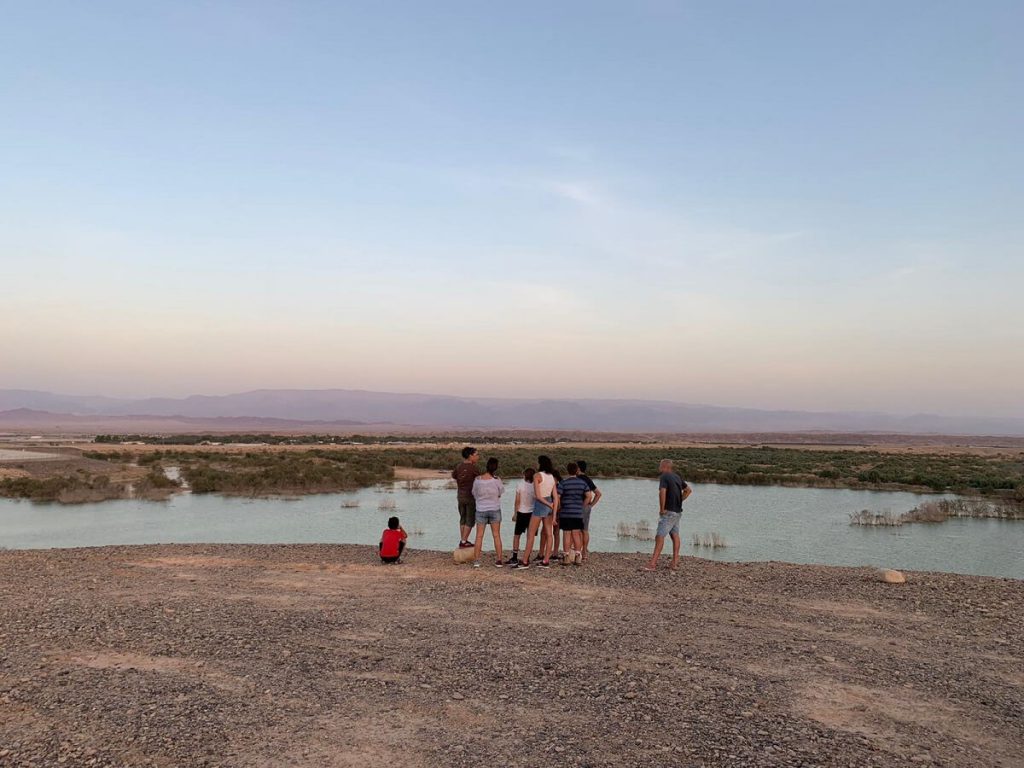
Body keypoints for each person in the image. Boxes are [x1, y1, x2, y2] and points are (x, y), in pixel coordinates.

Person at [645, 459, 692, 571]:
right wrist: (679, 502)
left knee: (659, 536)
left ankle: (652, 564)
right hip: (677, 512)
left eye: (660, 465)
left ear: (665, 466)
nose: (659, 468)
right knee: (674, 535)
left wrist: (662, 509)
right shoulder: (677, 477)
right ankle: (674, 563)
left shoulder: (664, 476)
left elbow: (662, 492)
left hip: (669, 512)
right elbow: (688, 490)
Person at [515, 455, 559, 570]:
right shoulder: (552, 477)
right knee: (549, 534)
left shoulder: (537, 476)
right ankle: (546, 560)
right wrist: (553, 512)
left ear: (540, 463)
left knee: (531, 534)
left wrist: (548, 504)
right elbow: (555, 497)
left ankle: (525, 561)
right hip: (549, 505)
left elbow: (538, 496)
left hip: (541, 505)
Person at [556, 462, 594, 565]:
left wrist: (559, 507)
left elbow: (558, 497)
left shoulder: (563, 483)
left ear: (567, 471)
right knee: (576, 534)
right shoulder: (582, 483)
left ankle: (566, 556)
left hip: (566, 512)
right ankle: (578, 556)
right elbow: (589, 496)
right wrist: (582, 506)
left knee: (566, 534)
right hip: (577, 512)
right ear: (576, 470)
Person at [471, 457, 505, 568]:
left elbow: (474, 493)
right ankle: (499, 560)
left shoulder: (477, 480)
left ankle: (476, 560)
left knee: (479, 536)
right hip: (495, 509)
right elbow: (500, 493)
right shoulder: (497, 480)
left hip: (481, 510)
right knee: (496, 535)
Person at [506, 467, 535, 566]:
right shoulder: (535, 486)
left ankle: (514, 556)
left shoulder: (520, 485)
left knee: (517, 535)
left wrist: (515, 513)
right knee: (530, 536)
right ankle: (527, 555)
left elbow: (517, 501)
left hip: (522, 512)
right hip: (532, 513)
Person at [452, 446, 479, 548]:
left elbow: (454, 476)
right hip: (470, 497)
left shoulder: (459, 466)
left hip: (460, 496)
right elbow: (479, 479)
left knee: (462, 518)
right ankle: (463, 541)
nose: (478, 457)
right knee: (470, 520)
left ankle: (463, 540)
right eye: (476, 455)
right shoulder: (473, 468)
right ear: (470, 456)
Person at [575, 459, 602, 562]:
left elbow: (598, 494)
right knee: (585, 530)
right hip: (586, 508)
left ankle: (577, 551)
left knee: (576, 530)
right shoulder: (588, 479)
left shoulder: (576, 479)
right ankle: (584, 552)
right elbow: (598, 494)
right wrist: (591, 505)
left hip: (577, 507)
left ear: (578, 468)